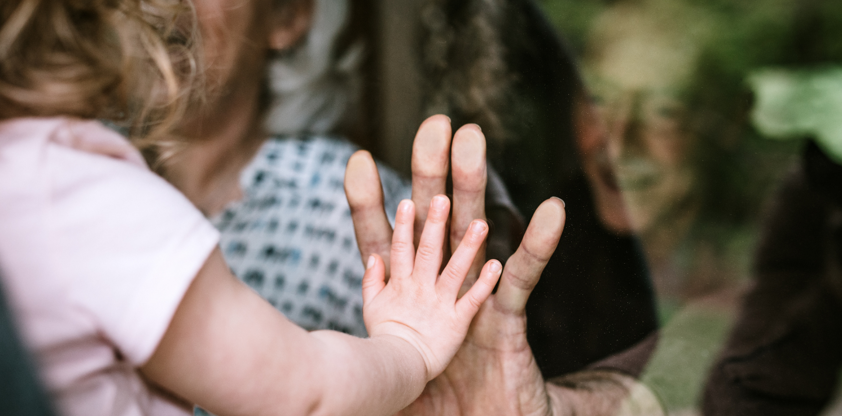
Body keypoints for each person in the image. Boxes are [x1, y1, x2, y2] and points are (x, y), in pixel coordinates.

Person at [0, 1, 511, 415]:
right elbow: (306, 391)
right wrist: (410, 350)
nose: (165, 6)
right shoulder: (84, 192)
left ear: (287, 17)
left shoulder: (354, 208)